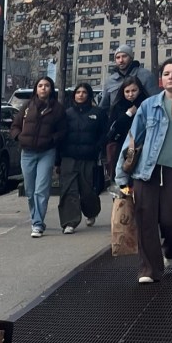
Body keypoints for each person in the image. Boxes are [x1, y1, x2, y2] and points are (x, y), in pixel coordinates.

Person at [116, 57, 172, 284]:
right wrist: (121, 174)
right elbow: (132, 140)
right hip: (147, 170)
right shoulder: (149, 105)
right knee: (145, 218)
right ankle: (149, 269)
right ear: (161, 79)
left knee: (170, 218)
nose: (170, 77)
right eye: (166, 73)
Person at [11, 77, 67, 238]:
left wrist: (51, 140)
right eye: (40, 85)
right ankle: (36, 218)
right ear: (36, 88)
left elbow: (63, 131)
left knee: (41, 190)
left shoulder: (57, 109)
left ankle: (37, 223)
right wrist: (19, 137)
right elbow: (15, 126)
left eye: (47, 85)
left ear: (51, 89)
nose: (43, 88)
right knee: (30, 191)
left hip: (46, 153)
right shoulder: (27, 106)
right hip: (27, 153)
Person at [57, 83, 107, 233]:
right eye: (78, 92)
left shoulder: (98, 113)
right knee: (69, 190)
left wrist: (98, 148)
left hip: (88, 158)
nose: (81, 95)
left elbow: (104, 134)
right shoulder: (66, 114)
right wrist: (57, 160)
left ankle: (92, 212)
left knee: (87, 191)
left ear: (89, 95)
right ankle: (69, 222)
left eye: (84, 92)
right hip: (68, 157)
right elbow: (60, 136)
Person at [105, 76, 149, 183]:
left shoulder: (147, 104)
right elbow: (113, 128)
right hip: (123, 146)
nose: (130, 94)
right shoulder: (118, 105)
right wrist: (128, 114)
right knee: (124, 176)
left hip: (143, 146)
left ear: (140, 90)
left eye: (134, 90)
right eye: (127, 91)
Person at [98, 45, 158, 110]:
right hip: (117, 115)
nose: (121, 60)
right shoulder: (110, 81)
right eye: (118, 57)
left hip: (142, 114)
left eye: (124, 56)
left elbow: (156, 100)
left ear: (131, 58)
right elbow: (103, 106)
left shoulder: (145, 75)